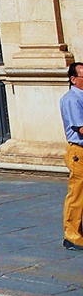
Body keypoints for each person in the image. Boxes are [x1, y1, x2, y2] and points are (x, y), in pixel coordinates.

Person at [63, 62, 83, 251]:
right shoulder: (73, 99)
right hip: (79, 151)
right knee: (77, 194)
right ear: (73, 79)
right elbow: (81, 128)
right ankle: (72, 235)